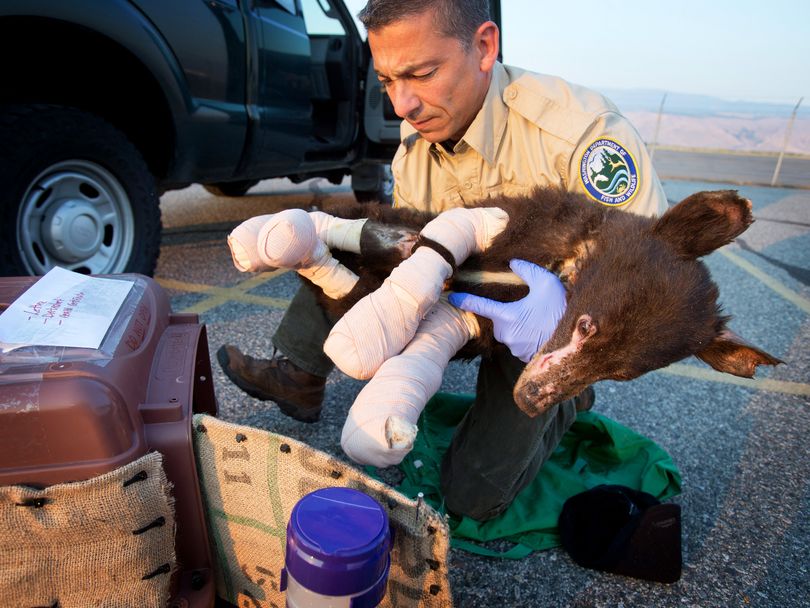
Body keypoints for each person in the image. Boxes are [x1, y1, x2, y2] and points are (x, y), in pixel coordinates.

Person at [217, 0, 668, 521]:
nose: (401, 104)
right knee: (351, 242)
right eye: (386, 80)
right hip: (461, 306)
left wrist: (565, 326)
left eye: (422, 74)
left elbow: (647, 276)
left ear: (483, 47)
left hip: (546, 332)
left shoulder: (582, 136)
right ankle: (300, 374)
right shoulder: (417, 145)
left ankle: (569, 398)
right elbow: (408, 262)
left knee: (473, 497)